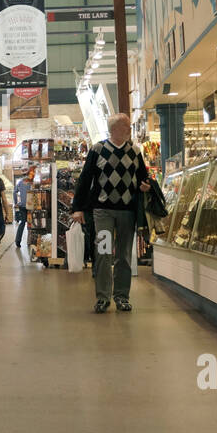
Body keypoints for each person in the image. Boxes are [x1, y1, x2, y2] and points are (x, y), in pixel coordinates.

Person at [71, 113, 151, 313]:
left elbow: (143, 176)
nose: (129, 129)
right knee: (104, 253)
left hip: (127, 212)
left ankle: (122, 296)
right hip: (103, 212)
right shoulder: (98, 150)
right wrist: (77, 208)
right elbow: (85, 179)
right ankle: (103, 297)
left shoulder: (134, 151)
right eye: (127, 126)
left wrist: (145, 186)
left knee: (123, 256)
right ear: (116, 129)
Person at [13, 167, 32, 247]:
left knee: (22, 222)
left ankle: (18, 241)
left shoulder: (20, 182)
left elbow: (14, 192)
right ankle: (29, 241)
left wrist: (16, 203)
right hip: (30, 206)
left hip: (22, 206)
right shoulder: (31, 183)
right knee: (30, 224)